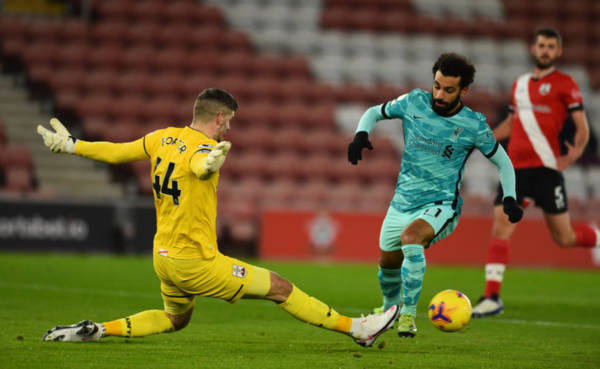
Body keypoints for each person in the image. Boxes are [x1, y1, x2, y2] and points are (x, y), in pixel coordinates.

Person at [38, 88, 399, 347]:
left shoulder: (163, 138)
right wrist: (207, 166)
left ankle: (97, 330)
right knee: (280, 287)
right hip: (195, 262)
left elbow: (117, 152)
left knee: (175, 319)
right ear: (219, 117)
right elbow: (199, 164)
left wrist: (73, 145)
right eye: (230, 122)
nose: (230, 129)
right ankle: (358, 328)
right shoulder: (206, 149)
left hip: (162, 257)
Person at [347, 53, 522, 337]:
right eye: (437, 85)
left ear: (464, 90)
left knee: (411, 238)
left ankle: (407, 316)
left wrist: (510, 197)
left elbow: (503, 162)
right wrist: (361, 134)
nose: (439, 94)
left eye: (448, 89)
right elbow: (374, 112)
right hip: (402, 200)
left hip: (441, 204)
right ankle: (389, 309)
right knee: (387, 264)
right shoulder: (414, 101)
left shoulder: (473, 125)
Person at [472, 28, 599, 318]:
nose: (545, 50)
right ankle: (491, 296)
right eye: (541, 45)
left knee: (564, 238)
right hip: (514, 170)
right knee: (501, 225)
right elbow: (510, 123)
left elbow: (582, 128)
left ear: (558, 52)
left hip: (547, 170)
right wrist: (483, 140)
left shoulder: (566, 84)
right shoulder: (520, 84)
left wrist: (573, 155)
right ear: (533, 48)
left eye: (551, 46)